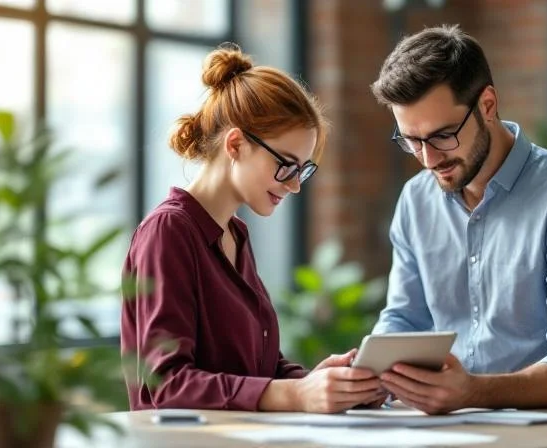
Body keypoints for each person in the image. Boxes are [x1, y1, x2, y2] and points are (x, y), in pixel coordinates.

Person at [369, 25, 547, 414]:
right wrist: (368, 378)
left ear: (487, 105)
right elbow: (406, 320)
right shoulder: (417, 200)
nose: (427, 159)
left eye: (443, 136)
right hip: (450, 428)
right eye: (411, 141)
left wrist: (474, 392)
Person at [120, 44, 383, 413]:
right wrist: (295, 395)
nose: (294, 185)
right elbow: (166, 385)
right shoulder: (169, 231)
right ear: (236, 143)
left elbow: (259, 369)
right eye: (286, 166)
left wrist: (315, 383)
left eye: (302, 170)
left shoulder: (236, 235)